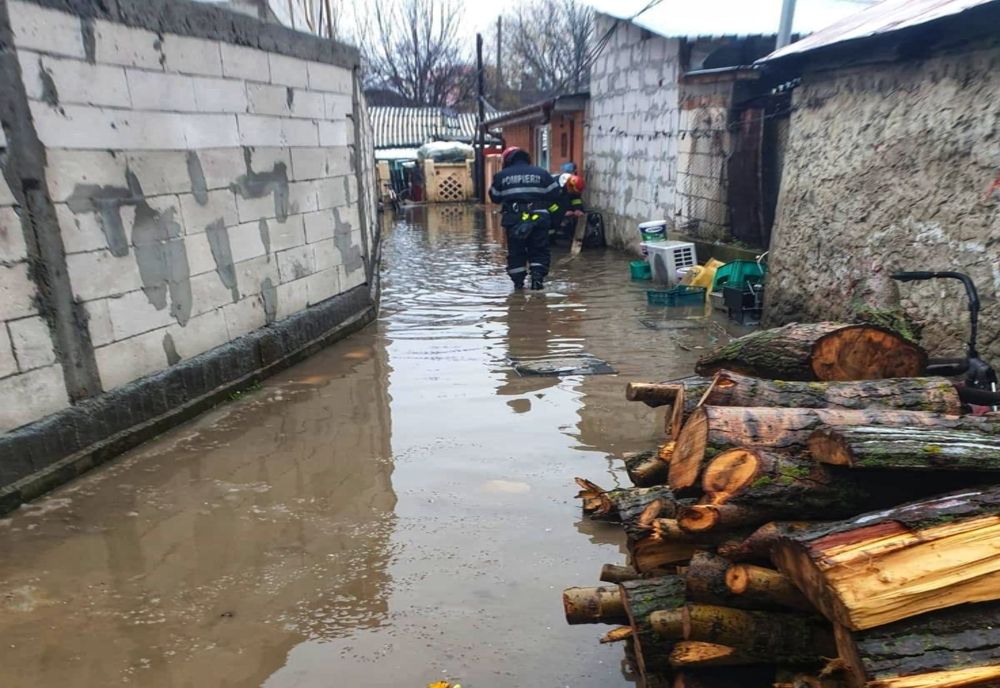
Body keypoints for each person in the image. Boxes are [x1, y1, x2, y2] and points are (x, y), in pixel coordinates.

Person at [488, 147, 560, 290]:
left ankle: (518, 286)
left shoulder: (501, 176)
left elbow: (495, 197)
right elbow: (555, 193)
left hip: (514, 218)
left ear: (508, 160)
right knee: (539, 250)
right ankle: (537, 281)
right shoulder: (542, 173)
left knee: (516, 251)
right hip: (539, 218)